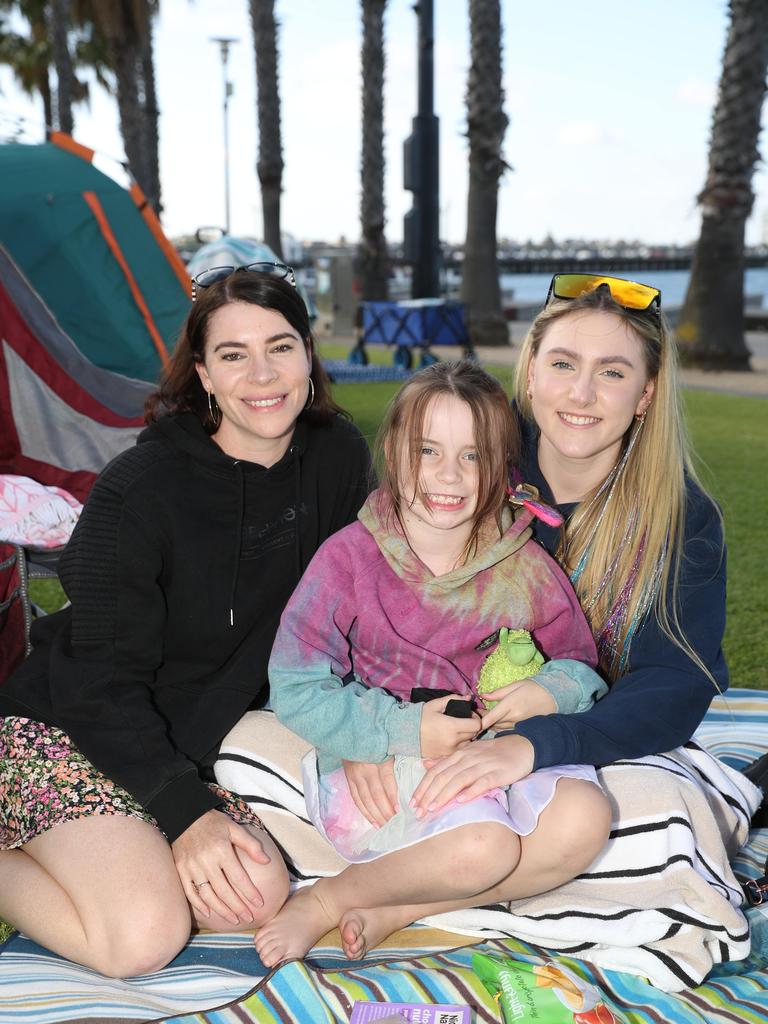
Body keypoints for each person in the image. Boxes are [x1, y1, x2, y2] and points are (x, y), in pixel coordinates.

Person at [0, 264, 373, 977]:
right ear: (202, 373)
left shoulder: (336, 459)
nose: (262, 374)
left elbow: (355, 603)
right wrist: (185, 815)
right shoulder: (139, 492)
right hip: (66, 727)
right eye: (233, 355)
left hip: (181, 735)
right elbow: (100, 685)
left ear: (308, 355)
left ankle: (119, 848)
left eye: (281, 346)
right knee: (143, 935)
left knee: (256, 894)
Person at [403, 274, 760, 990]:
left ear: (647, 394)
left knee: (659, 826)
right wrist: (422, 724)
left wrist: (538, 747)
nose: (581, 393)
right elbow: (384, 609)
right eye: (563, 363)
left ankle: (406, 899)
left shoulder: (682, 516)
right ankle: (501, 889)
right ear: (531, 371)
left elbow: (673, 683)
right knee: (277, 764)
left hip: (603, 750)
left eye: (613, 372)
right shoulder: (459, 465)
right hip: (441, 733)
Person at [254, 360, 612, 968]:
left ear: (501, 465)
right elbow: (295, 682)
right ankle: (326, 901)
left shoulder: (523, 567)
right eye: (428, 450)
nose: (449, 475)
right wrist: (388, 737)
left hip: (493, 755)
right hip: (388, 760)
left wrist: (545, 692)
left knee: (587, 819)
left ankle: (399, 906)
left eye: (472, 456)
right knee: (486, 849)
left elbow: (581, 665)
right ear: (394, 451)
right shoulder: (349, 559)